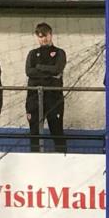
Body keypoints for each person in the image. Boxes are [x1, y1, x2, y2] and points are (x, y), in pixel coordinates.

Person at [25, 23, 67, 153]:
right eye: (40, 36)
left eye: (46, 36)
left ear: (51, 35)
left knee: (56, 130)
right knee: (34, 131)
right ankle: (34, 159)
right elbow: (28, 72)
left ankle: (62, 158)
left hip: (54, 98)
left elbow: (57, 69)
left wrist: (39, 67)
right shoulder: (32, 54)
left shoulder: (59, 52)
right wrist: (49, 74)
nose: (43, 39)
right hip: (34, 98)